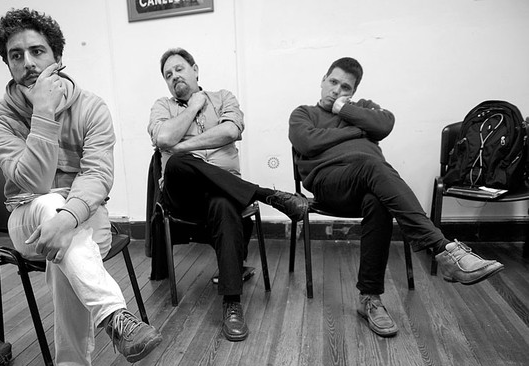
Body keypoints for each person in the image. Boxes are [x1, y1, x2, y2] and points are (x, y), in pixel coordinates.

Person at [0, 8, 162, 366]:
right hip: (27, 219)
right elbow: (34, 181)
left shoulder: (92, 108)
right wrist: (43, 112)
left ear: (56, 57)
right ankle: (117, 318)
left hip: (84, 218)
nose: (27, 63)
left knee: (65, 255)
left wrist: (68, 218)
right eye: (16, 55)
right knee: (45, 206)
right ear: (6, 63)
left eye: (37, 51)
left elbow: (98, 176)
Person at [288, 57, 504, 338]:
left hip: (369, 183)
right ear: (322, 80)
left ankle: (370, 299)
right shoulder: (303, 114)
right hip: (330, 184)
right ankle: (443, 249)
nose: (336, 90)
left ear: (352, 92)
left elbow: (385, 124)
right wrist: (357, 131)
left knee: (378, 200)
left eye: (345, 87)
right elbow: (307, 142)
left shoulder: (360, 108)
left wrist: (346, 109)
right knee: (372, 165)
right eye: (332, 82)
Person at [148, 47, 308, 342]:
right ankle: (266, 194)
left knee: (222, 203)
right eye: (168, 75)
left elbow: (230, 131)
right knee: (180, 165)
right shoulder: (162, 106)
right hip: (182, 197)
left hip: (224, 194)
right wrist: (193, 107)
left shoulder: (223, 98)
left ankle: (232, 303)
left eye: (179, 69)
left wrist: (180, 146)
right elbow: (164, 137)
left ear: (195, 69)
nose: (174, 77)